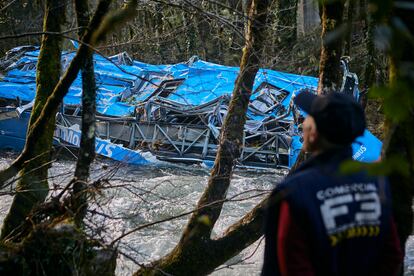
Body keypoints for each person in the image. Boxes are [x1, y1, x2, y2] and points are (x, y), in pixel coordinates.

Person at [262, 91, 403, 276]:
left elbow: (290, 266)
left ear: (314, 133)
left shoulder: (293, 192)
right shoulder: (378, 183)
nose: (303, 124)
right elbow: (392, 255)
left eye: (308, 119)